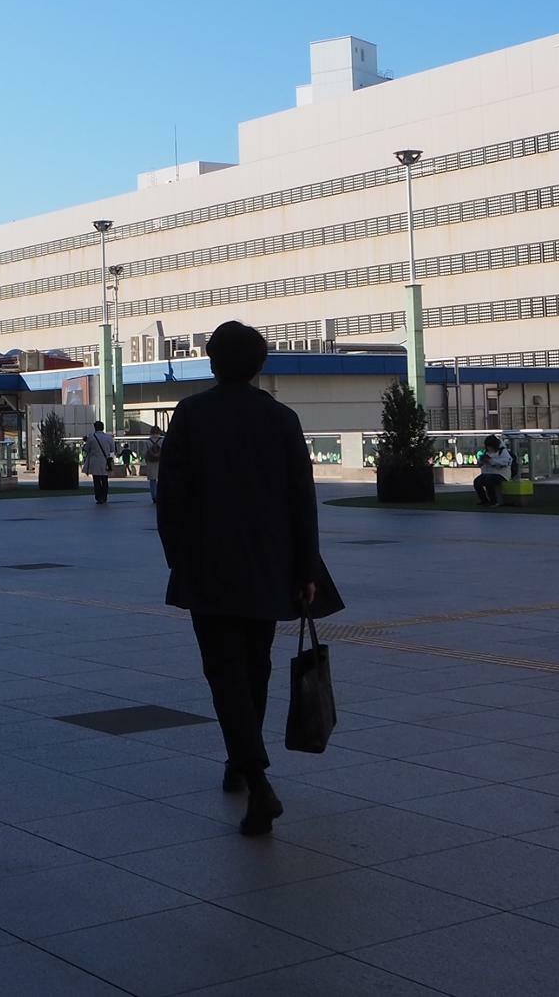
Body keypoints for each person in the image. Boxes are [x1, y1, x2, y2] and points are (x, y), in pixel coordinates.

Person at [156, 320, 343, 836]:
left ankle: (255, 776)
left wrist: (178, 557)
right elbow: (301, 501)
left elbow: (170, 497)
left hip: (208, 565)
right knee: (254, 665)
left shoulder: (192, 415)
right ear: (260, 366)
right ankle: (242, 762)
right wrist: (305, 568)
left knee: (223, 671)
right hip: (268, 565)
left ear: (213, 363)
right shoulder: (282, 418)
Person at [83, 420, 117, 504]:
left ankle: (99, 497)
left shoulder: (91, 437)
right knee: (105, 480)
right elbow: (112, 449)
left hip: (95, 461)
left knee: (96, 480)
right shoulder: (109, 437)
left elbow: (86, 449)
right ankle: (104, 496)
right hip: (105, 460)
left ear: (95, 428)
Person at [474, 435, 512, 506]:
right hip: (487, 473)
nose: (489, 448)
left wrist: (492, 461)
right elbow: (481, 464)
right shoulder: (486, 452)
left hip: (501, 474)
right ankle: (484, 500)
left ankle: (494, 501)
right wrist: (482, 462)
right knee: (477, 482)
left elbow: (507, 462)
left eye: (490, 446)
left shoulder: (502, 451)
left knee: (489, 480)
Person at [144, 428, 165, 503]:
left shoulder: (147, 441)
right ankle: (161, 495)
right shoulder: (162, 440)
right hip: (161, 461)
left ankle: (154, 496)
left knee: (152, 480)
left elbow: (145, 453)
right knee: (161, 479)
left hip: (151, 462)